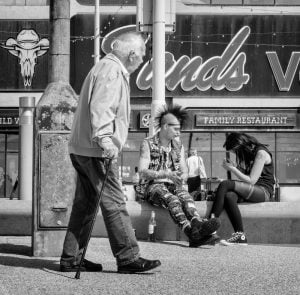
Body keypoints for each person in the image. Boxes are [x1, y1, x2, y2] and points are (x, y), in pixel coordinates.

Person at [60, 31, 161, 274]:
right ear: (133, 54)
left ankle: (71, 258)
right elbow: (102, 107)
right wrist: (106, 141)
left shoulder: (104, 67)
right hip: (96, 150)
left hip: (84, 147)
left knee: (85, 205)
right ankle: (128, 257)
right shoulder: (113, 71)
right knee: (114, 201)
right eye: (143, 54)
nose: (143, 60)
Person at [138, 104, 220, 247]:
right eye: (175, 129)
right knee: (173, 200)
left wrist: (182, 177)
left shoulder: (179, 146)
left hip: (173, 185)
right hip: (152, 186)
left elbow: (184, 170)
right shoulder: (148, 143)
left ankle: (197, 225)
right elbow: (142, 171)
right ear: (165, 127)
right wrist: (165, 174)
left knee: (187, 198)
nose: (178, 133)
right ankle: (191, 233)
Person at [210, 132, 275, 246]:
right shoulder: (252, 153)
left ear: (240, 145)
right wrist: (236, 167)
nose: (236, 153)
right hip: (254, 189)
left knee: (225, 184)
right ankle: (241, 236)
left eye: (235, 151)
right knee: (229, 196)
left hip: (263, 191)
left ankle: (210, 225)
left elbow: (251, 180)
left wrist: (233, 170)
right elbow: (250, 174)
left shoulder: (261, 153)